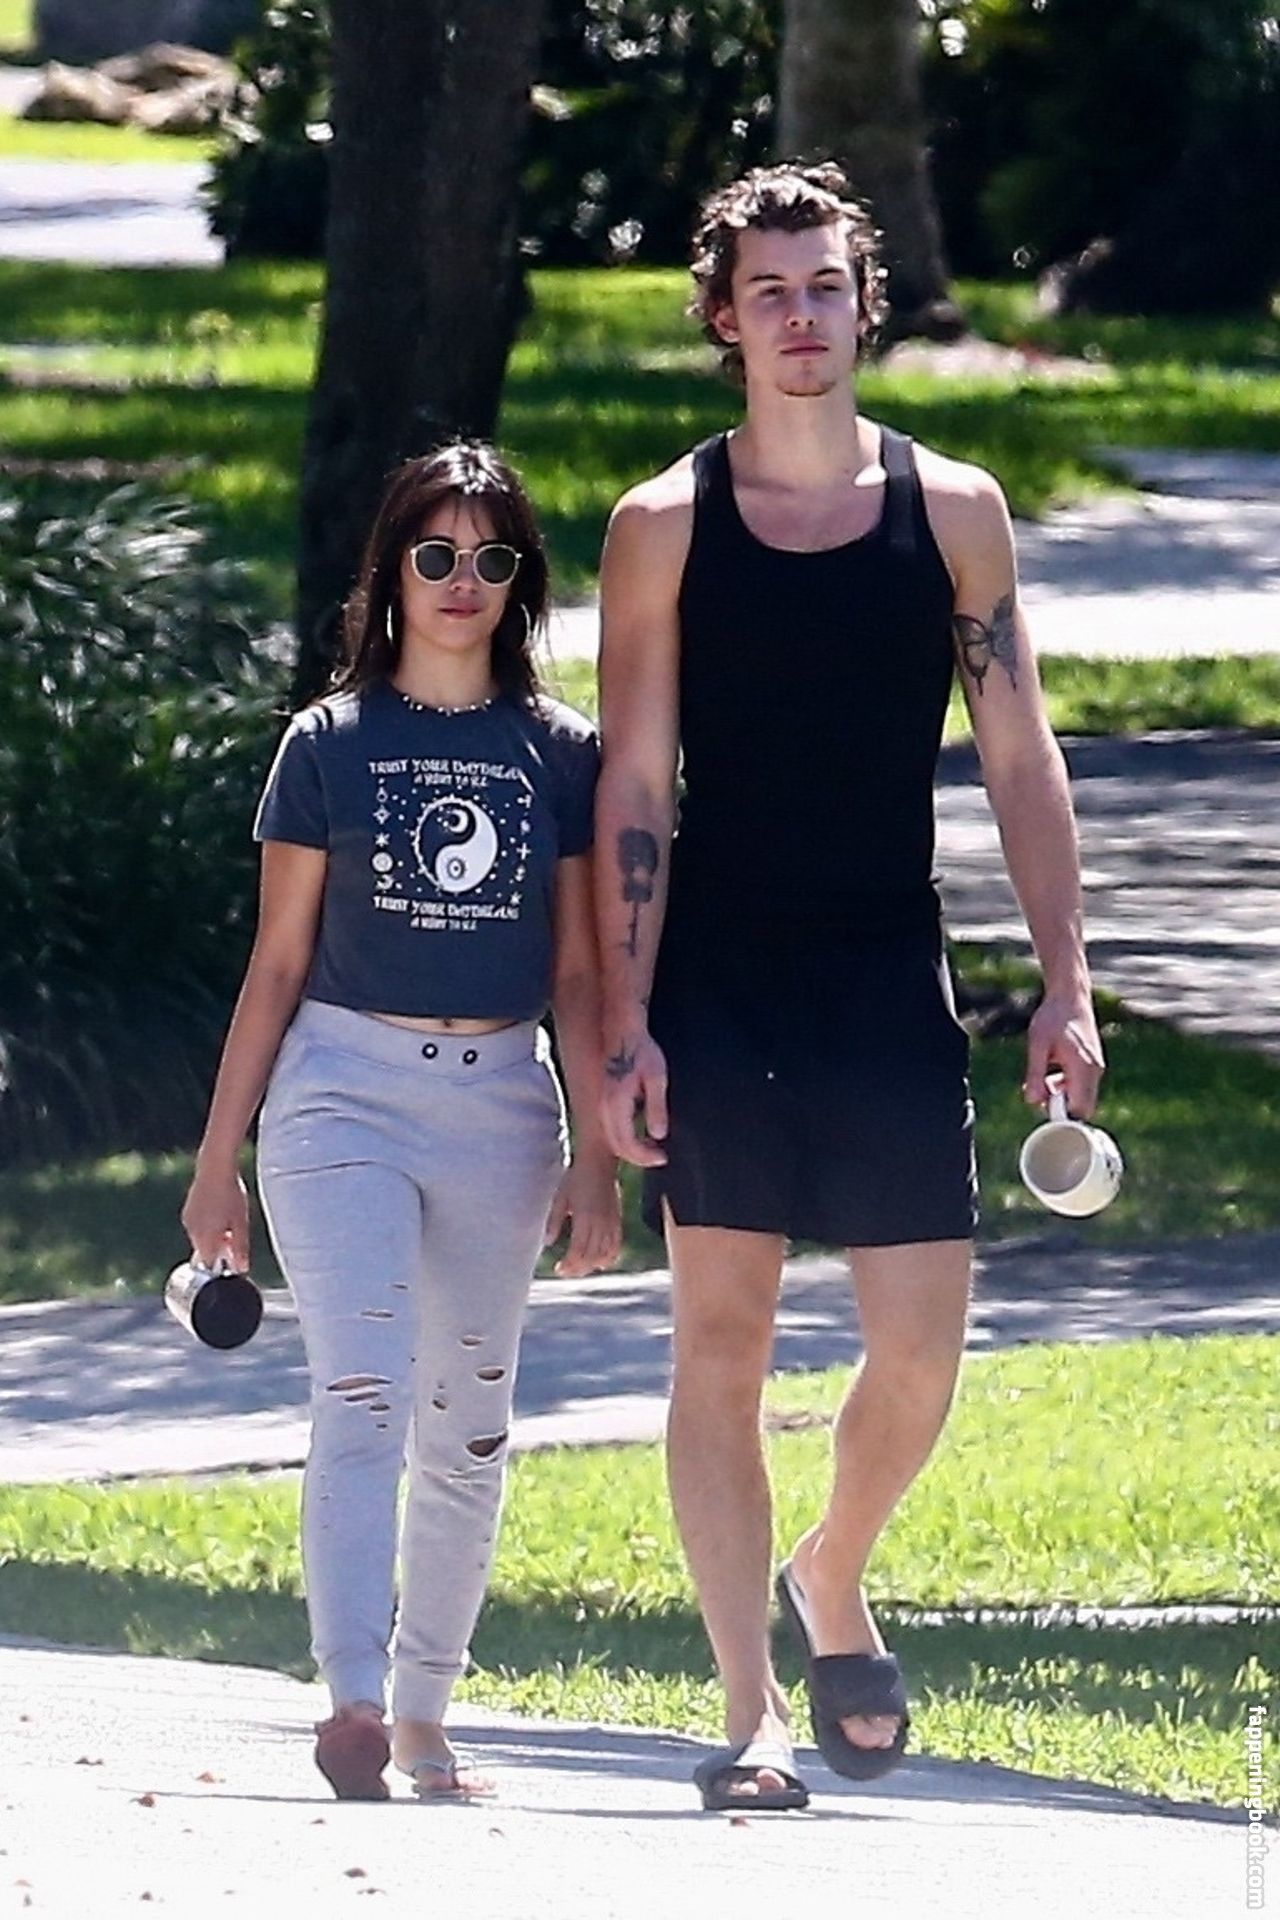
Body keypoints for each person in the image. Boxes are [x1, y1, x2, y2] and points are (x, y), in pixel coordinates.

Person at [594, 162, 1104, 1811]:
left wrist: (1068, 981)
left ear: (864, 303)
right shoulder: (662, 527)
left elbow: (1020, 756)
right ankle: (749, 1710)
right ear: (724, 319)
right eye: (769, 291)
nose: (800, 316)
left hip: (888, 967)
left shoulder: (952, 513)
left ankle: (833, 1565)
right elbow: (632, 785)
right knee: (720, 1344)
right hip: (720, 976)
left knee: (922, 1353)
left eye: (824, 286)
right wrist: (623, 1019)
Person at [182, 441, 620, 1802]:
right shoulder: (327, 744)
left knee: (470, 1420)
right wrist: (217, 1162)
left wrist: (599, 1158)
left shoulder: (561, 754)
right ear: (391, 574)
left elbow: (581, 974)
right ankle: (354, 1698)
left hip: (503, 1103)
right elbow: (275, 964)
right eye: (435, 554)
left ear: (521, 583)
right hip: (340, 1090)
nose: (461, 581)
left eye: (492, 558)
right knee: (361, 1387)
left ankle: (428, 1715)